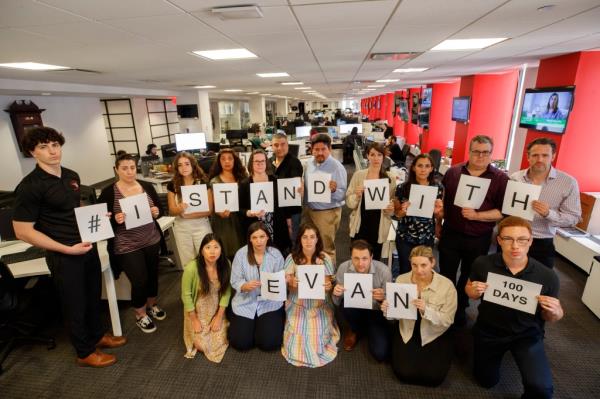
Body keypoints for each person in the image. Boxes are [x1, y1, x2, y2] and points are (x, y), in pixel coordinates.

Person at [13, 127, 126, 368]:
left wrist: (99, 217)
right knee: (75, 304)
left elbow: (72, 213)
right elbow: (22, 231)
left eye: (55, 145)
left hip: (87, 246)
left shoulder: (70, 175)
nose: (52, 151)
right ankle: (84, 351)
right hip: (64, 255)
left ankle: (97, 336)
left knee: (93, 297)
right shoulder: (30, 186)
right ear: (33, 152)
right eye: (43, 147)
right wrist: (66, 249)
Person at [466, 216, 564, 398]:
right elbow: (469, 290)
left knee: (541, 389)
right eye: (508, 239)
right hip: (489, 331)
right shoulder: (483, 263)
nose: (515, 246)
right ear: (499, 240)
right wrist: (473, 292)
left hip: (527, 335)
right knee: (486, 381)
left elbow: (551, 318)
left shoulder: (548, 276)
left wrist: (555, 312)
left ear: (530, 241)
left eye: (522, 239)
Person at [438, 135, 508, 325]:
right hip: (451, 233)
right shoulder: (453, 172)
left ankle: (460, 308)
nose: (480, 156)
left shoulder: (501, 179)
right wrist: (438, 217)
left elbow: (504, 212)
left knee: (470, 275)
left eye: (485, 152)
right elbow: (442, 202)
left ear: (491, 154)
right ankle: (445, 305)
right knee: (446, 273)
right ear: (469, 151)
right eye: (476, 151)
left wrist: (478, 216)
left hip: (479, 237)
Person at [99, 154, 166, 334]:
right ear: (116, 170)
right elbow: (101, 223)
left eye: (132, 167)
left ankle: (152, 304)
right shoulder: (109, 192)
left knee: (152, 275)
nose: (129, 172)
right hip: (127, 244)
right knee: (139, 280)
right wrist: (115, 220)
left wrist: (156, 211)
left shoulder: (146, 186)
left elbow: (160, 210)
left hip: (151, 239)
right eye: (124, 168)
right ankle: (140, 314)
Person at [381, 246, 456, 387]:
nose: (419, 270)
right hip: (408, 328)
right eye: (414, 265)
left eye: (424, 265)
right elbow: (394, 316)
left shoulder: (447, 286)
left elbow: (448, 320)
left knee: (434, 378)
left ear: (432, 263)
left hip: (434, 331)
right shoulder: (402, 280)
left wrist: (426, 310)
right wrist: (387, 311)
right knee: (403, 372)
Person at [510, 138, 581, 268]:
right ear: (528, 156)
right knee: (505, 277)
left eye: (545, 155)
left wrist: (549, 214)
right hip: (512, 237)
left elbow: (574, 218)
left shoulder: (568, 182)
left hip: (541, 242)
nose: (540, 159)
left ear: (553, 156)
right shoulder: (515, 178)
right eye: (535, 155)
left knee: (537, 284)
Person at [281, 222, 339, 367]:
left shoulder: (325, 258)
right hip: (298, 303)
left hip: (319, 305)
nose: (308, 241)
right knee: (294, 341)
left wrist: (328, 286)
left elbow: (327, 289)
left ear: (317, 239)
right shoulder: (292, 258)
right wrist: (291, 284)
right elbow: (290, 288)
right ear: (299, 239)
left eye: (312, 237)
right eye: (305, 237)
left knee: (317, 340)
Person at [228, 222, 286, 351]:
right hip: (245, 301)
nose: (259, 241)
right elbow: (235, 280)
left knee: (269, 344)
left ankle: (259, 328)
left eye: (262, 236)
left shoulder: (275, 254)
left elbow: (281, 280)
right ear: (249, 239)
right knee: (240, 343)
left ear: (267, 237)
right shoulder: (241, 254)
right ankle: (251, 327)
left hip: (269, 303)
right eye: (254, 237)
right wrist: (244, 286)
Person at [332, 240, 392, 361]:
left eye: (365, 258)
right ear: (351, 257)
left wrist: (383, 299)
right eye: (356, 258)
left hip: (375, 311)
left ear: (371, 257)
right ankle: (354, 329)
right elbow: (336, 302)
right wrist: (336, 293)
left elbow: (391, 308)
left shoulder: (384, 271)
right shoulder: (343, 268)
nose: (360, 263)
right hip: (353, 310)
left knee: (380, 354)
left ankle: (369, 329)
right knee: (345, 305)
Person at [181, 234, 231, 362]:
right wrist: (194, 319)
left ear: (221, 250)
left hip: (216, 308)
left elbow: (226, 292)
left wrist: (219, 316)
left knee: (218, 341)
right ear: (202, 250)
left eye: (216, 247)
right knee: (201, 346)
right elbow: (186, 295)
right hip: (197, 311)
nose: (212, 251)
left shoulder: (226, 264)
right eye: (208, 247)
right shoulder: (192, 268)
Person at [393, 153, 444, 277]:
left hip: (426, 235)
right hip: (405, 235)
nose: (423, 169)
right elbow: (397, 214)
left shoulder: (438, 188)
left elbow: (439, 215)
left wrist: (438, 212)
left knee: (423, 271)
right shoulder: (402, 188)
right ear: (414, 167)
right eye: (420, 165)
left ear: (432, 168)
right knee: (405, 270)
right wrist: (403, 211)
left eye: (427, 166)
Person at [303, 133, 347, 266]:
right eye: (316, 150)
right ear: (311, 150)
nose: (320, 153)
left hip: (327, 213)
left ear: (330, 149)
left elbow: (341, 195)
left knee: (326, 249)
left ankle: (329, 279)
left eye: (323, 149)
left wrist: (333, 190)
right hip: (309, 210)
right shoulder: (309, 163)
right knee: (310, 246)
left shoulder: (337, 167)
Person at [346, 142, 395, 261]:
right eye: (372, 155)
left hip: (378, 225)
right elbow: (349, 202)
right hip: (360, 224)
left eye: (379, 155)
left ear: (384, 157)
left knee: (374, 260)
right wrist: (357, 196)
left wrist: (391, 208)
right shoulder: (359, 175)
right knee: (358, 258)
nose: (376, 158)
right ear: (367, 156)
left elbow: (393, 206)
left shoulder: (390, 178)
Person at [239, 149, 290, 256]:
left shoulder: (275, 181)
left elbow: (285, 203)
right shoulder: (244, 184)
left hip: (276, 225)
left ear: (266, 163)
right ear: (251, 164)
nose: (260, 164)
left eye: (262, 161)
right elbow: (239, 209)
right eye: (256, 161)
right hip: (255, 226)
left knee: (277, 255)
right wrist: (250, 212)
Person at [167, 152, 213, 266]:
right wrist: (179, 209)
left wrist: (187, 215)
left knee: (206, 259)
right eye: (180, 165)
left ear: (193, 165)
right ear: (177, 168)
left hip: (201, 226)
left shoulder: (203, 182)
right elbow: (171, 211)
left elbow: (209, 210)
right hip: (181, 228)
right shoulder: (172, 184)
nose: (184, 168)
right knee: (188, 263)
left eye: (187, 164)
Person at [208, 149, 248, 260]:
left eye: (230, 158)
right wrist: (220, 212)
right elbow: (214, 205)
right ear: (219, 162)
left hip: (240, 219)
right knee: (225, 253)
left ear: (235, 161)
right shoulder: (214, 181)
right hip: (223, 222)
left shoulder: (243, 178)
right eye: (223, 159)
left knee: (242, 253)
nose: (227, 162)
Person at [271, 132, 304, 242]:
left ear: (287, 145)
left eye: (283, 144)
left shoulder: (294, 162)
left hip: (291, 212)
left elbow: (293, 192)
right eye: (276, 145)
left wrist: (288, 217)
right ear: (271, 146)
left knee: (293, 242)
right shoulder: (270, 162)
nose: (279, 147)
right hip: (276, 211)